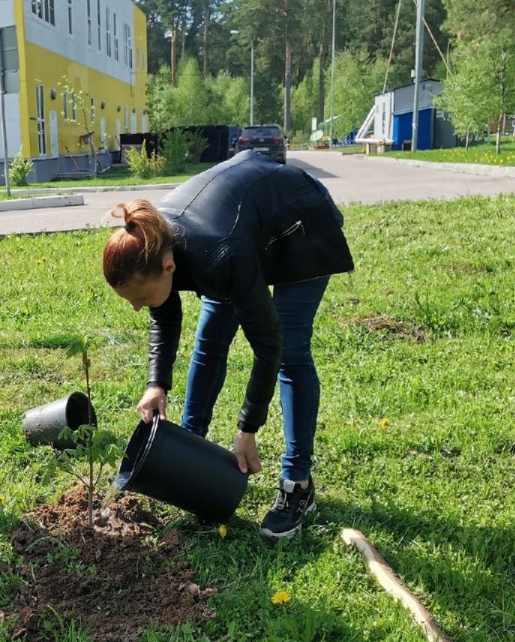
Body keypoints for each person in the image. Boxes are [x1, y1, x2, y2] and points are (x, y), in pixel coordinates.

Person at [102, 150, 353, 539]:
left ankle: (297, 484)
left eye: (137, 297)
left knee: (291, 350)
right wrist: (157, 384)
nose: (136, 308)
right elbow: (164, 315)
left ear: (169, 267)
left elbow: (269, 345)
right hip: (245, 230)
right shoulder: (155, 242)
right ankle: (190, 453)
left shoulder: (218, 254)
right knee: (210, 340)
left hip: (300, 223)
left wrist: (247, 428)